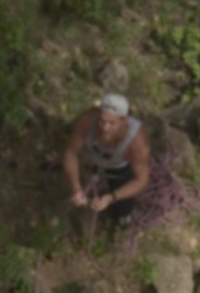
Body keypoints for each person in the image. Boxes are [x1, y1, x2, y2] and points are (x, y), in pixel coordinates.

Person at [61, 93, 151, 228]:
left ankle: (122, 216)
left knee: (124, 203)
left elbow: (141, 180)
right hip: (90, 156)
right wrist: (75, 186)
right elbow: (70, 152)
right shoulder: (87, 121)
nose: (105, 128)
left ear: (124, 120)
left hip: (118, 165)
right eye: (102, 121)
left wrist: (112, 197)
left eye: (112, 123)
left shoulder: (137, 143)